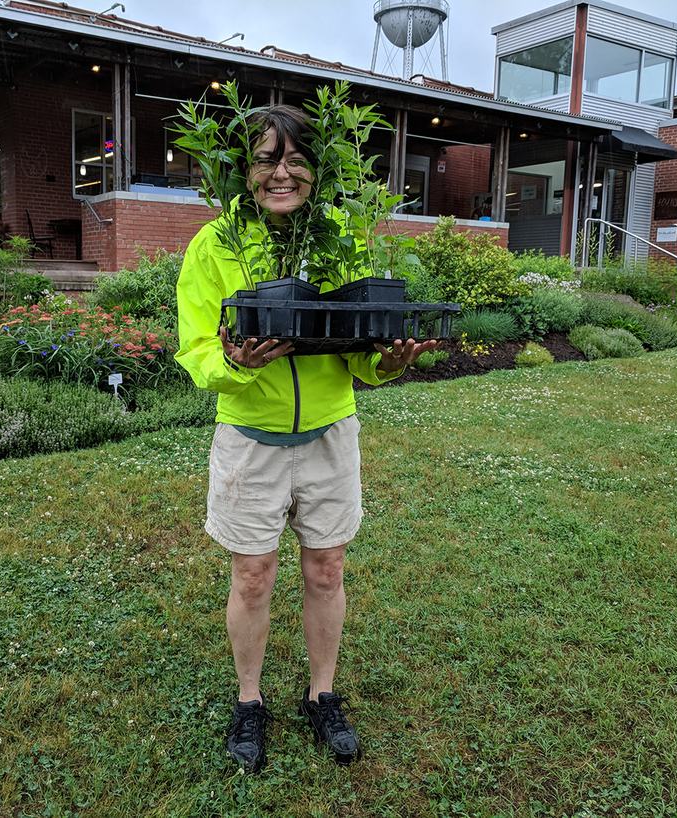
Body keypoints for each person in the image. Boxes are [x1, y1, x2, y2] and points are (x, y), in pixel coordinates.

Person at [175, 104, 437, 773]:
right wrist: (234, 364)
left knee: (327, 568)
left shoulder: (339, 238)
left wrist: (386, 362)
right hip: (252, 439)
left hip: (328, 434)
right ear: (244, 169)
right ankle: (249, 701)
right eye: (266, 158)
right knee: (254, 576)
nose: (282, 172)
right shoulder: (216, 244)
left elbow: (356, 349)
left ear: (319, 170)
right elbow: (197, 347)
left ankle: (322, 694)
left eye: (296, 159)